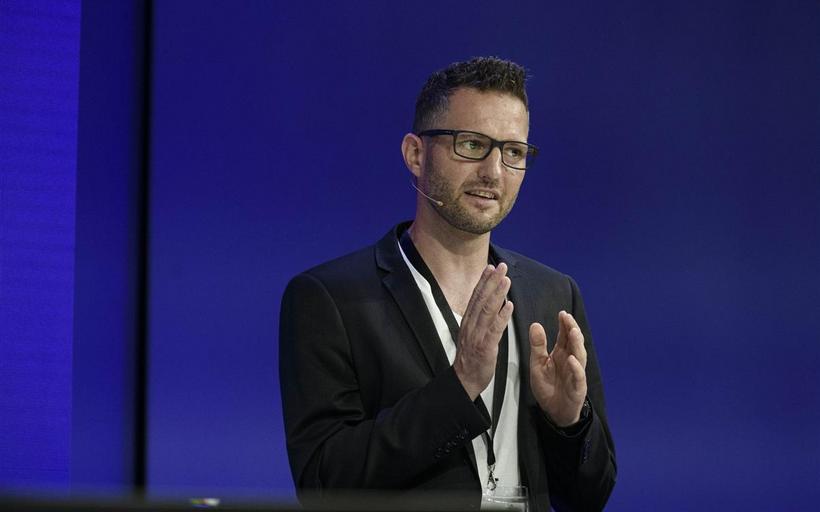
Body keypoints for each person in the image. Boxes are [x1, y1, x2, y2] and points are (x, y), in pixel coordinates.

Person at [279, 57, 616, 511]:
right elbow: (324, 485)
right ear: (415, 154)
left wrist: (569, 423)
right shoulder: (331, 300)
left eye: (514, 152)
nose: (494, 172)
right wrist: (459, 386)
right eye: (472, 145)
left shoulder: (553, 294)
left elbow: (591, 495)